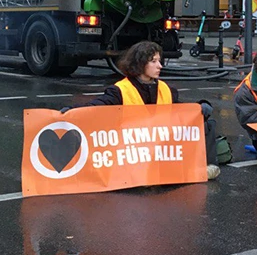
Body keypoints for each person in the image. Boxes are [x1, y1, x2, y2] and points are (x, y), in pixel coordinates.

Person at [71, 41, 221, 180]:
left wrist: (199, 107)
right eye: (154, 61)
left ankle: (206, 167)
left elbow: (183, 111)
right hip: (132, 150)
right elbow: (96, 107)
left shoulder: (166, 89)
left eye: (159, 61)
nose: (160, 66)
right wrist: (70, 113)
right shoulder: (120, 90)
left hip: (161, 147)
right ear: (140, 64)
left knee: (207, 123)